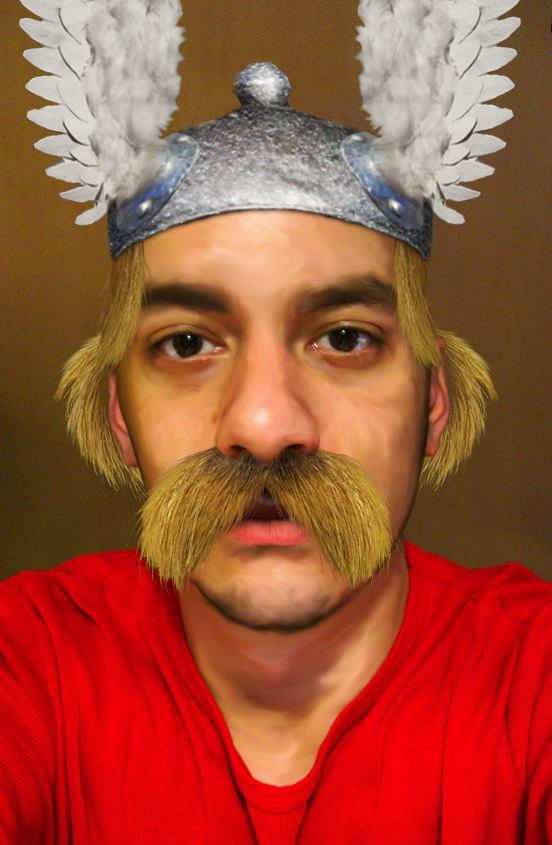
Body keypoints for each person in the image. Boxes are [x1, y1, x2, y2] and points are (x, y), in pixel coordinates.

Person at [3, 1, 551, 843]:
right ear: (117, 415)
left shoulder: (534, 673)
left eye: (345, 338)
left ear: (435, 403)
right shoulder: (28, 658)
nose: (263, 425)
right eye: (188, 344)